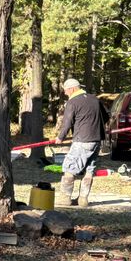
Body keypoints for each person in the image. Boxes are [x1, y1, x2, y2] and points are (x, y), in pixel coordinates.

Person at [52, 77, 107, 207]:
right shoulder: (94, 99)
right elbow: (106, 116)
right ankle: (83, 200)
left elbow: (67, 122)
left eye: (65, 90)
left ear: (72, 89)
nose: (65, 93)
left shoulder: (73, 102)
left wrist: (60, 137)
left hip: (82, 140)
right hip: (96, 140)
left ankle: (65, 198)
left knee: (69, 167)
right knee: (89, 169)